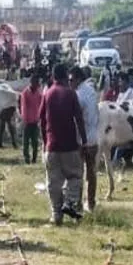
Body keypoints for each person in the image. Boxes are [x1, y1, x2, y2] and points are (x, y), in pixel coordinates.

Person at [43, 65, 85, 224]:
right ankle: (69, 202)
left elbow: (42, 120)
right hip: (69, 145)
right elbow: (79, 119)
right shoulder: (70, 93)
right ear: (64, 77)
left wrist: (45, 141)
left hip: (51, 146)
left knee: (53, 182)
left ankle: (56, 215)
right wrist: (84, 141)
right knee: (75, 176)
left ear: (53, 77)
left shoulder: (47, 94)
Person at [75, 66, 101, 212]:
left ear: (78, 79)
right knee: (91, 173)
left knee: (78, 173)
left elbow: (77, 118)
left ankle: (78, 203)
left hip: (81, 139)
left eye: (72, 79)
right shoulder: (92, 92)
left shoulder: (78, 94)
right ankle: (91, 203)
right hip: (93, 138)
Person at [19, 70, 46, 163]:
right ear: (32, 82)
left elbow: (41, 104)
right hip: (27, 122)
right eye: (36, 82)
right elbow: (24, 107)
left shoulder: (39, 93)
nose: (38, 84)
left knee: (35, 142)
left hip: (35, 121)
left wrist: (39, 118)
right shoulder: (25, 93)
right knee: (25, 142)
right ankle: (27, 158)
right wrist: (25, 120)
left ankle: (34, 158)